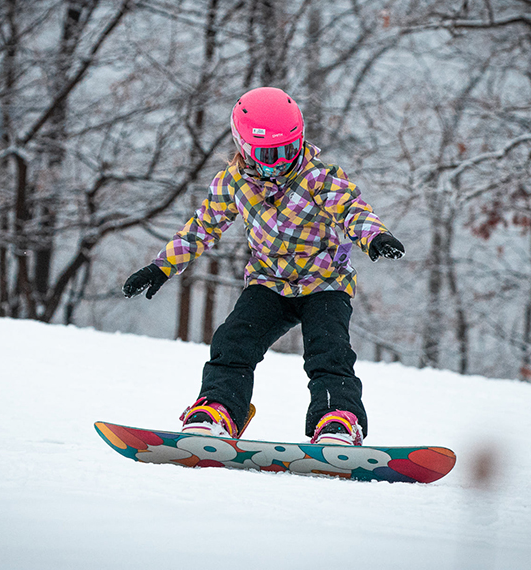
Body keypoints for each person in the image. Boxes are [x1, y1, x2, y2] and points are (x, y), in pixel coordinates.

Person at [123, 87, 405, 446]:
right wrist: (161, 267)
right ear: (244, 148)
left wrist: (375, 236)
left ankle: (337, 419)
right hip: (269, 283)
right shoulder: (233, 182)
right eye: (268, 154)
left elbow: (351, 208)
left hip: (324, 283)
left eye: (289, 150)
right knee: (233, 341)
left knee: (329, 351)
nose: (281, 162)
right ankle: (218, 409)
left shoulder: (320, 178)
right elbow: (202, 227)